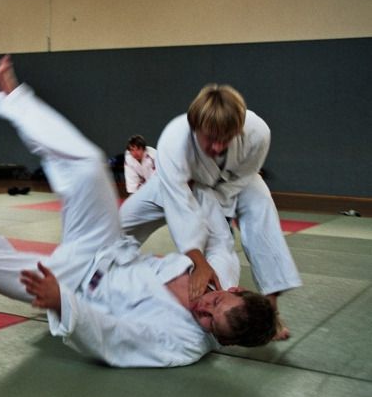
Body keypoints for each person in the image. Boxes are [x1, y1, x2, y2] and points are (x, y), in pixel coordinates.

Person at [0, 55, 276, 368]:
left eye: (210, 323)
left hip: (76, 285)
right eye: (215, 304)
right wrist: (203, 241)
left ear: (223, 341)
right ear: (233, 290)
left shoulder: (184, 343)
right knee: (90, 164)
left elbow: (117, 337)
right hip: (107, 247)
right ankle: (14, 98)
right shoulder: (221, 273)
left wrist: (61, 302)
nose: (203, 309)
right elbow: (219, 239)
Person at [119, 84, 302, 340]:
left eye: (226, 139)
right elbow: (179, 206)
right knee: (120, 224)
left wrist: (216, 207)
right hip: (174, 187)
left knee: (259, 205)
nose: (218, 147)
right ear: (195, 126)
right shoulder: (174, 140)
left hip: (231, 183)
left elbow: (247, 174)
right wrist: (199, 261)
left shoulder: (258, 132)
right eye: (211, 138)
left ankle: (268, 312)